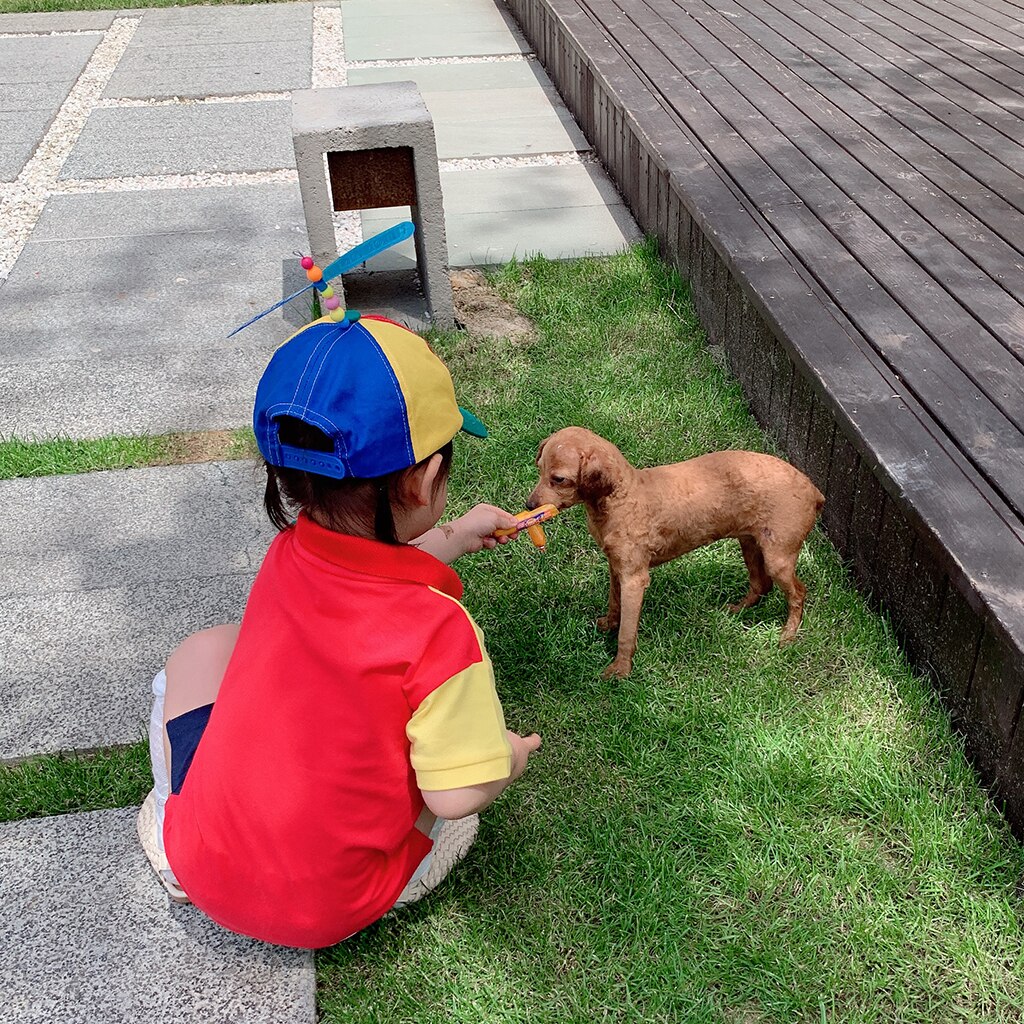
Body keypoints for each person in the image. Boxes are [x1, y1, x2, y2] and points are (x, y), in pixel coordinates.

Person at [137, 312, 542, 949]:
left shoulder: (288, 557)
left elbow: (373, 567)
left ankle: (176, 827)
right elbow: (455, 794)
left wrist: (458, 536)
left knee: (205, 650)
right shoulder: (439, 632)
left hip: (205, 866)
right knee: (458, 811)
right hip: (330, 907)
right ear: (428, 479)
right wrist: (510, 757)